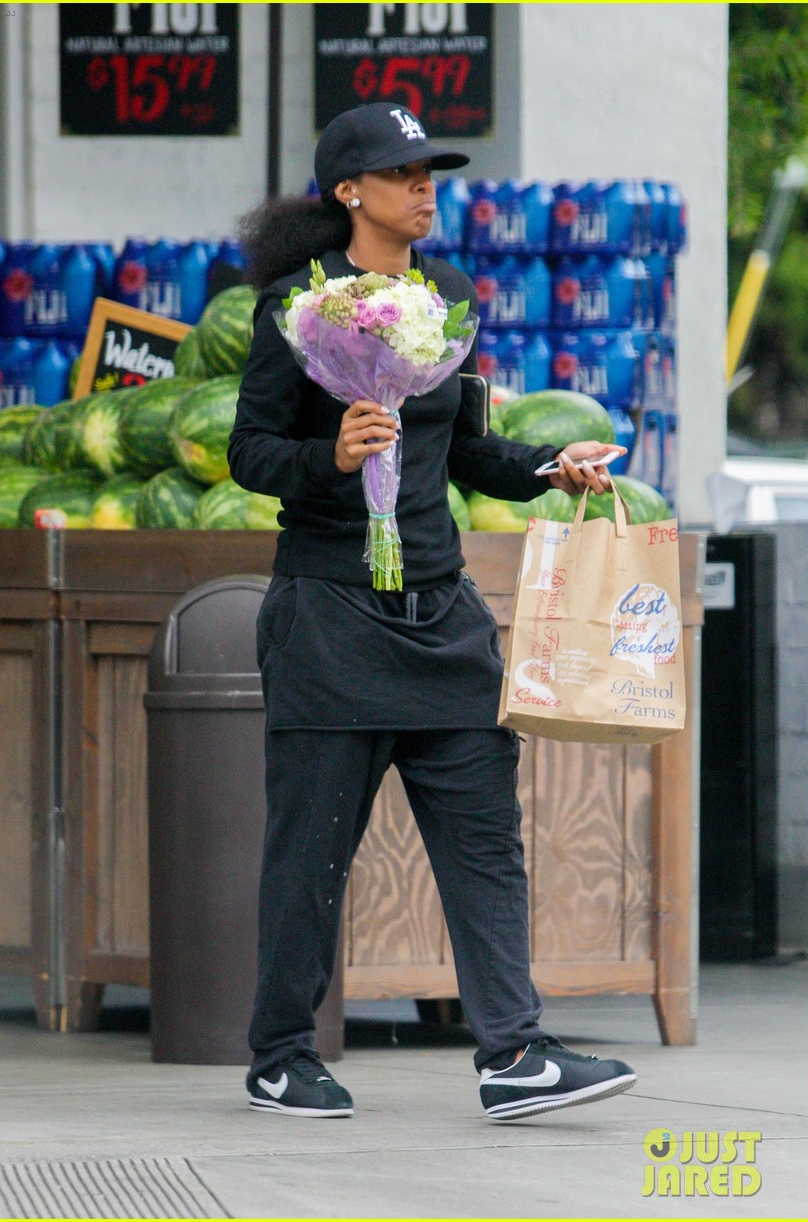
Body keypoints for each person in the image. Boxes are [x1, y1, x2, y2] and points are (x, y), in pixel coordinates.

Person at [228, 103, 636, 1122]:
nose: (427, 189)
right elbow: (248, 452)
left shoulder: (448, 296)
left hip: (443, 616)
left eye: (432, 173)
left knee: (485, 837)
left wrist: (550, 470)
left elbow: (466, 451)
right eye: (405, 174)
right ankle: (280, 1052)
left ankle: (513, 1050)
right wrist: (331, 458)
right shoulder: (297, 306)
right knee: (311, 850)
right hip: (328, 614)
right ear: (349, 192)